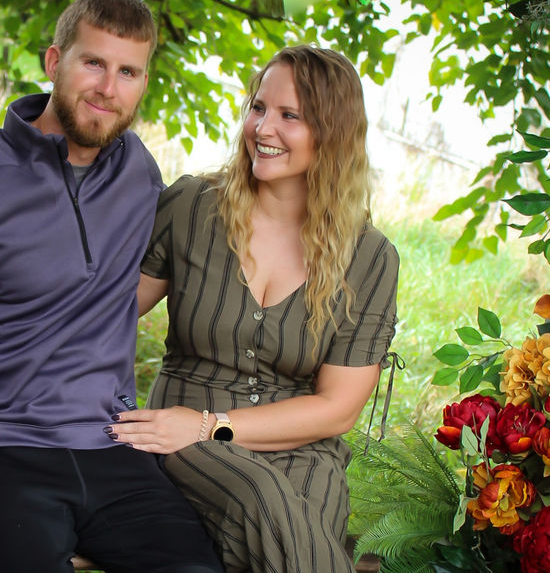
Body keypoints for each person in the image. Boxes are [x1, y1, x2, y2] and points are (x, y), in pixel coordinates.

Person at [0, 0, 223, 573]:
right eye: (93, 63)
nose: (108, 88)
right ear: (54, 62)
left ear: (143, 82)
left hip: (113, 443)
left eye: (128, 72)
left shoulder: (138, 171)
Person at [107, 45, 399, 572]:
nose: (263, 128)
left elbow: (338, 408)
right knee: (267, 503)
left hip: (302, 443)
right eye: (258, 108)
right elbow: (105, 314)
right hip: (183, 432)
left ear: (332, 133)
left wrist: (213, 424)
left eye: (289, 116)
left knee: (307, 518)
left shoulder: (369, 257)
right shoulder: (193, 207)